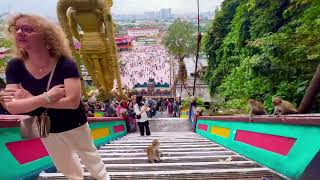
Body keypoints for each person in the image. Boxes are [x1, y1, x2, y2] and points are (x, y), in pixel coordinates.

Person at [3, 14, 109, 180]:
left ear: (46, 35)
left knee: (90, 156)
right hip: (42, 125)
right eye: (16, 28)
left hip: (74, 122)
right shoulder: (14, 66)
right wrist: (47, 97)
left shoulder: (65, 63)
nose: (20, 32)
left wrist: (30, 99)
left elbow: (73, 103)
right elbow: (12, 106)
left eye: (27, 29)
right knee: (63, 163)